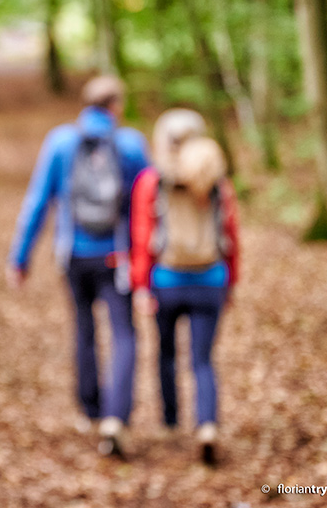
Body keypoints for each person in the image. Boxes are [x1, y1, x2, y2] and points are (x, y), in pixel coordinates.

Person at [7, 75, 150, 458]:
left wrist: (20, 258)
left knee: (84, 329)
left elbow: (38, 202)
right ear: (116, 105)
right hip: (116, 257)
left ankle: (90, 408)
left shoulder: (60, 142)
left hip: (72, 254)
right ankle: (116, 417)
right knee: (124, 335)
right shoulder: (132, 145)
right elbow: (149, 205)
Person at [129, 108, 239, 465]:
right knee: (203, 359)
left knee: (165, 352)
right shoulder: (218, 182)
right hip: (211, 280)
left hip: (167, 280)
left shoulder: (153, 181)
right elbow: (231, 235)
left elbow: (143, 236)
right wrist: (231, 282)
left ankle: (171, 419)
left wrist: (141, 284)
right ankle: (206, 424)